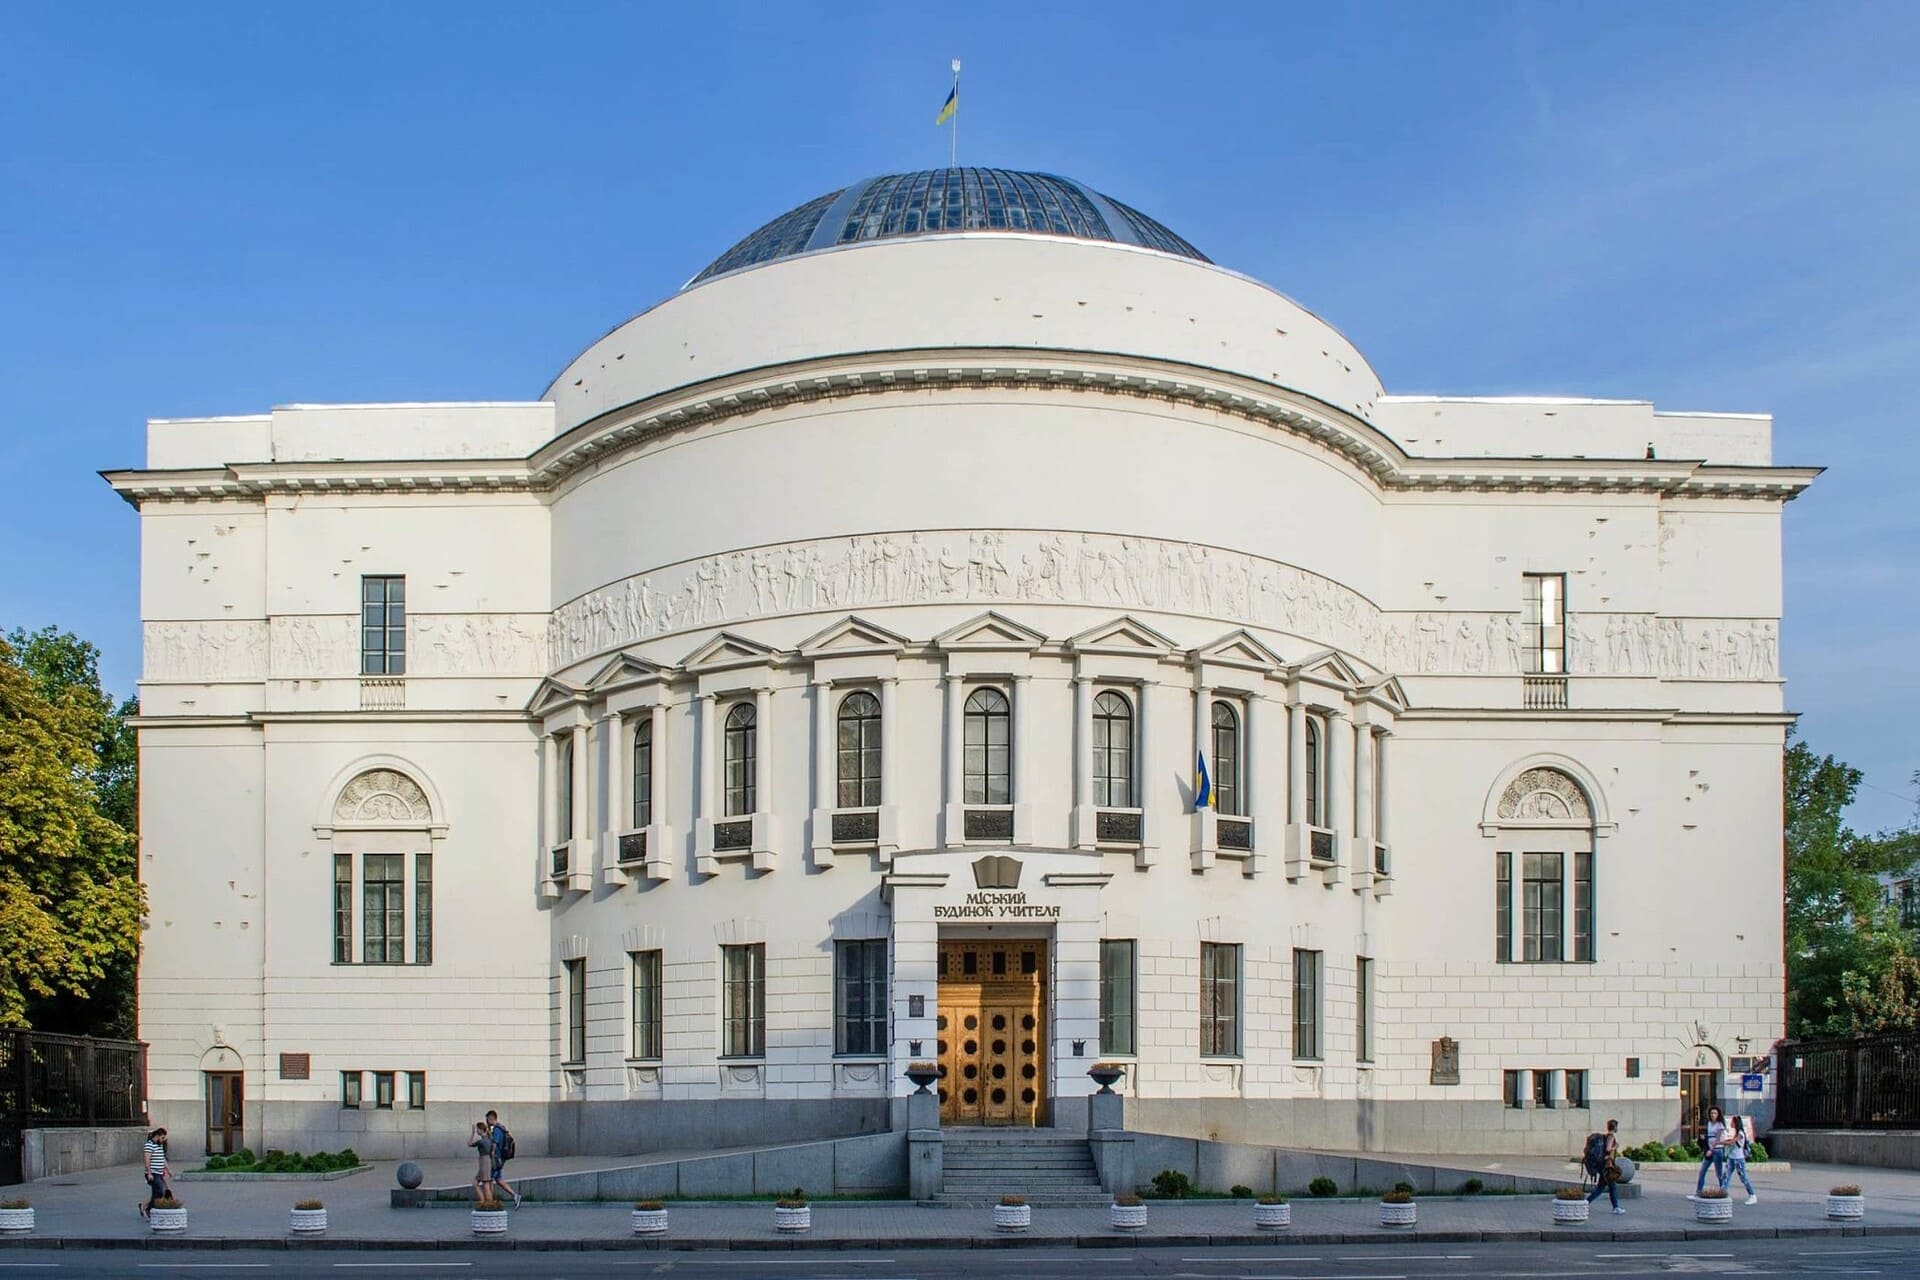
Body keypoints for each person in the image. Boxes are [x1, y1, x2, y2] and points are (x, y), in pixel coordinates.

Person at [1584, 1118, 1627, 1215]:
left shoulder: (1606, 1136)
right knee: (1610, 1186)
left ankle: (1586, 1203)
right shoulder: (1611, 1137)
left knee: (1604, 1187)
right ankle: (1615, 1207)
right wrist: (1615, 1147)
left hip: (1603, 1164)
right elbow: (1608, 1149)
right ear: (1615, 1127)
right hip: (1607, 1165)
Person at [1689, 1105, 1726, 1199]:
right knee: (1702, 1171)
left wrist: (1711, 1149)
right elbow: (1711, 1136)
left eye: (1715, 1113)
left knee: (1719, 1173)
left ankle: (1723, 1191)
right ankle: (1698, 1192)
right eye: (1712, 1113)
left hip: (1717, 1150)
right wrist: (1705, 1138)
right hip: (1709, 1150)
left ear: (1718, 1115)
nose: (1713, 1115)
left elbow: (1718, 1138)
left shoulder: (1720, 1124)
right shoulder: (1709, 1123)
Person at [486, 1109, 520, 1207]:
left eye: (487, 1119)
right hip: (501, 1158)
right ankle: (515, 1195)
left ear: (491, 1118)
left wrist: (491, 1153)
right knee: (499, 1179)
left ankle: (491, 1202)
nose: (487, 1122)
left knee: (490, 1179)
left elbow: (495, 1143)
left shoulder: (497, 1129)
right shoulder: (502, 1128)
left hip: (497, 1158)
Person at [1720, 1114, 1757, 1204]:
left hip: (1739, 1159)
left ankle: (1752, 1195)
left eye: (1732, 1122)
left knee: (1743, 1177)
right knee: (1726, 1176)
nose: (1731, 1123)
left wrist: (1722, 1142)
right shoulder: (1735, 1133)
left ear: (1736, 1123)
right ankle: (1722, 1194)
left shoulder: (1740, 1133)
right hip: (1731, 1158)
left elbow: (1733, 1142)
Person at [139, 1127, 171, 1219]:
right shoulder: (149, 1145)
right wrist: (149, 1173)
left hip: (159, 1173)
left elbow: (162, 1158)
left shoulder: (160, 1145)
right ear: (157, 1136)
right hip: (152, 1173)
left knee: (159, 1193)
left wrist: (168, 1170)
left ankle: (144, 1206)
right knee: (161, 1191)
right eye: (162, 1138)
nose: (163, 1140)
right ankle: (148, 1209)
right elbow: (146, 1159)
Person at [469, 1119, 495, 1202]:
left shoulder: (481, 1141)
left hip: (484, 1162)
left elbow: (469, 1144)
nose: (477, 1131)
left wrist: (472, 1133)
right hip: (488, 1161)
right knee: (479, 1183)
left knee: (485, 1183)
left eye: (477, 1130)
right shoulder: (490, 1139)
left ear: (480, 1130)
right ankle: (484, 1201)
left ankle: (487, 1203)